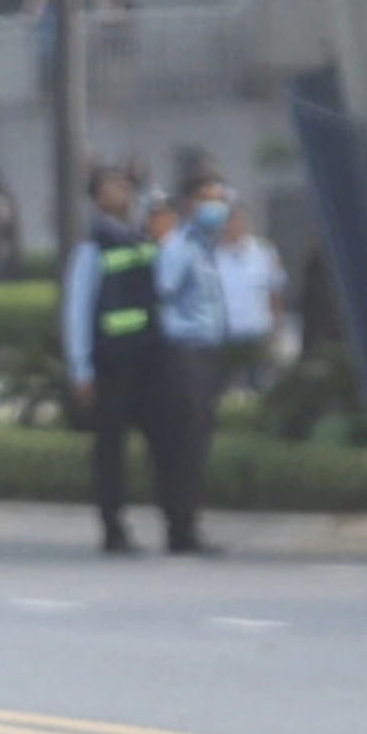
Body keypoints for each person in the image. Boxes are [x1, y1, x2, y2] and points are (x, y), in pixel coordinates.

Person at [60, 162, 186, 556]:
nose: (121, 191)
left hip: (151, 360)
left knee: (167, 447)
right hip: (111, 363)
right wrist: (80, 367)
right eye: (112, 186)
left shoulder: (146, 237)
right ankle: (113, 528)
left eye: (124, 185)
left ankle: (179, 527)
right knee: (111, 452)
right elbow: (77, 311)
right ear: (97, 197)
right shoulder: (91, 247)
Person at [153, 173, 233, 554]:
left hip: (206, 354)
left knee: (198, 444)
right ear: (188, 202)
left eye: (218, 198)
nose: (213, 206)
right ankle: (180, 528)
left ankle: (187, 524)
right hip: (184, 353)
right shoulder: (179, 246)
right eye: (205, 197)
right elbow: (162, 295)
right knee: (184, 444)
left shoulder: (206, 247)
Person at [215, 202, 288, 392]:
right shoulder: (211, 256)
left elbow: (275, 294)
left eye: (236, 219)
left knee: (259, 390)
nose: (232, 225)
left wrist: (276, 331)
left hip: (257, 336)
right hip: (225, 339)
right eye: (228, 221)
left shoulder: (263, 252)